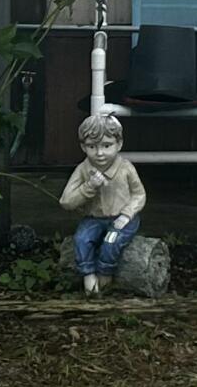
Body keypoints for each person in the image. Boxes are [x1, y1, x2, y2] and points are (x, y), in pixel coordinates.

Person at [58, 105, 146, 291]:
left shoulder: (125, 168)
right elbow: (66, 201)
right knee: (82, 239)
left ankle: (105, 274)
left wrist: (127, 214)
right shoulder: (83, 170)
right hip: (94, 219)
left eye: (107, 146)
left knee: (111, 241)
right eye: (92, 147)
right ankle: (88, 274)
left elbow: (139, 194)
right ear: (83, 146)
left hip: (122, 219)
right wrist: (88, 187)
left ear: (118, 144)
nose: (99, 153)